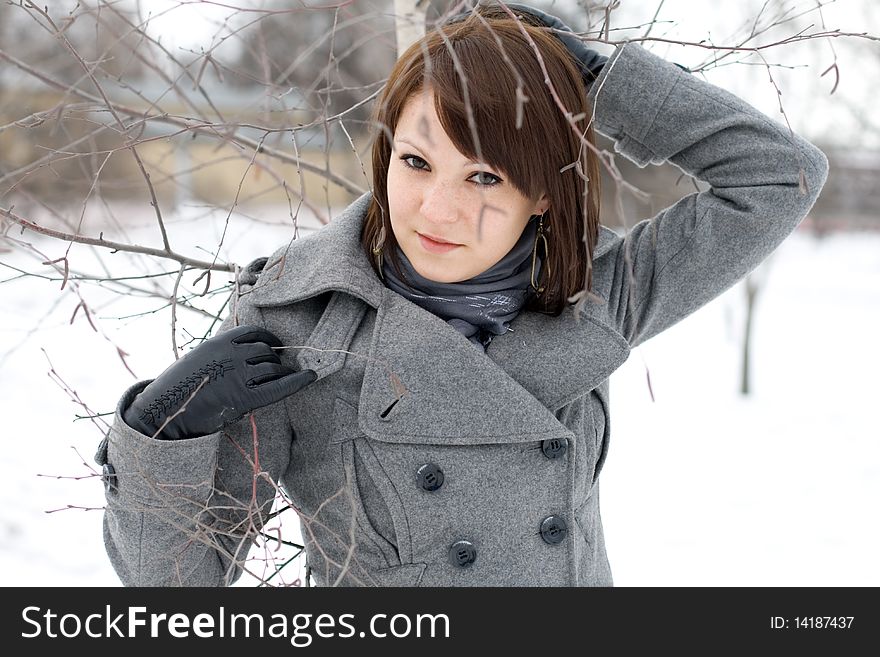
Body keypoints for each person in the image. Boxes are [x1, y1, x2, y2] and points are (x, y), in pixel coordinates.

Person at [97, 3, 828, 586]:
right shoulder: (300, 327)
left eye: (484, 176)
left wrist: (600, 82)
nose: (436, 210)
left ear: (542, 191)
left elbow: (777, 174)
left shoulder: (592, 293)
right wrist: (162, 440)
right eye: (416, 162)